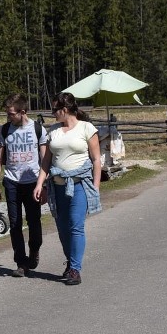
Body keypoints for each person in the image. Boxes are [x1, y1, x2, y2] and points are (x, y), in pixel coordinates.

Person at [33, 92, 102, 286]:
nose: (52, 113)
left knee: (75, 226)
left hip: (79, 185)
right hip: (57, 186)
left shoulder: (87, 128)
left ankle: (75, 269)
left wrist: (95, 187)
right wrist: (40, 183)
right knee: (62, 229)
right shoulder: (53, 131)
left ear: (64, 110)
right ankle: (71, 261)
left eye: (54, 109)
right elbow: (46, 161)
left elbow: (96, 160)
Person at [0, 93, 47, 278]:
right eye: (7, 114)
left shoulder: (38, 129)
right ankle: (21, 263)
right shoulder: (5, 130)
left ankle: (34, 250)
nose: (8, 117)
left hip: (32, 183)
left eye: (11, 114)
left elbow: (45, 159)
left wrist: (44, 185)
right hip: (12, 182)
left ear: (22, 112)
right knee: (15, 224)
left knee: (34, 222)